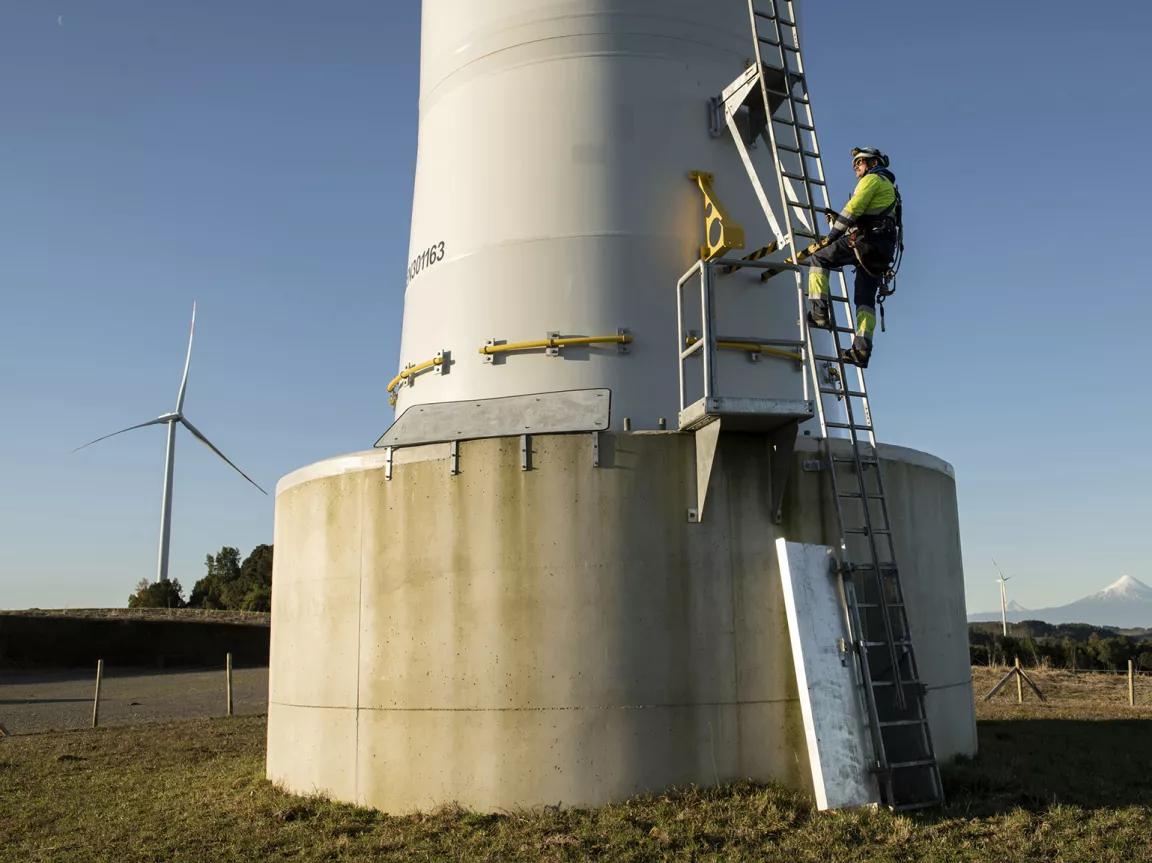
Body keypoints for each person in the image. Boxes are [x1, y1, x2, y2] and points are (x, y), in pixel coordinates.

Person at [805, 146, 901, 368]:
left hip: (867, 242)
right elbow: (872, 217)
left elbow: (853, 209)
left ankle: (819, 312)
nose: (856, 167)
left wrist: (831, 235)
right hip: (881, 250)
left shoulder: (872, 180)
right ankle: (861, 350)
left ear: (873, 163)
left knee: (819, 258)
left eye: (860, 162)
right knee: (865, 300)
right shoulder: (891, 189)